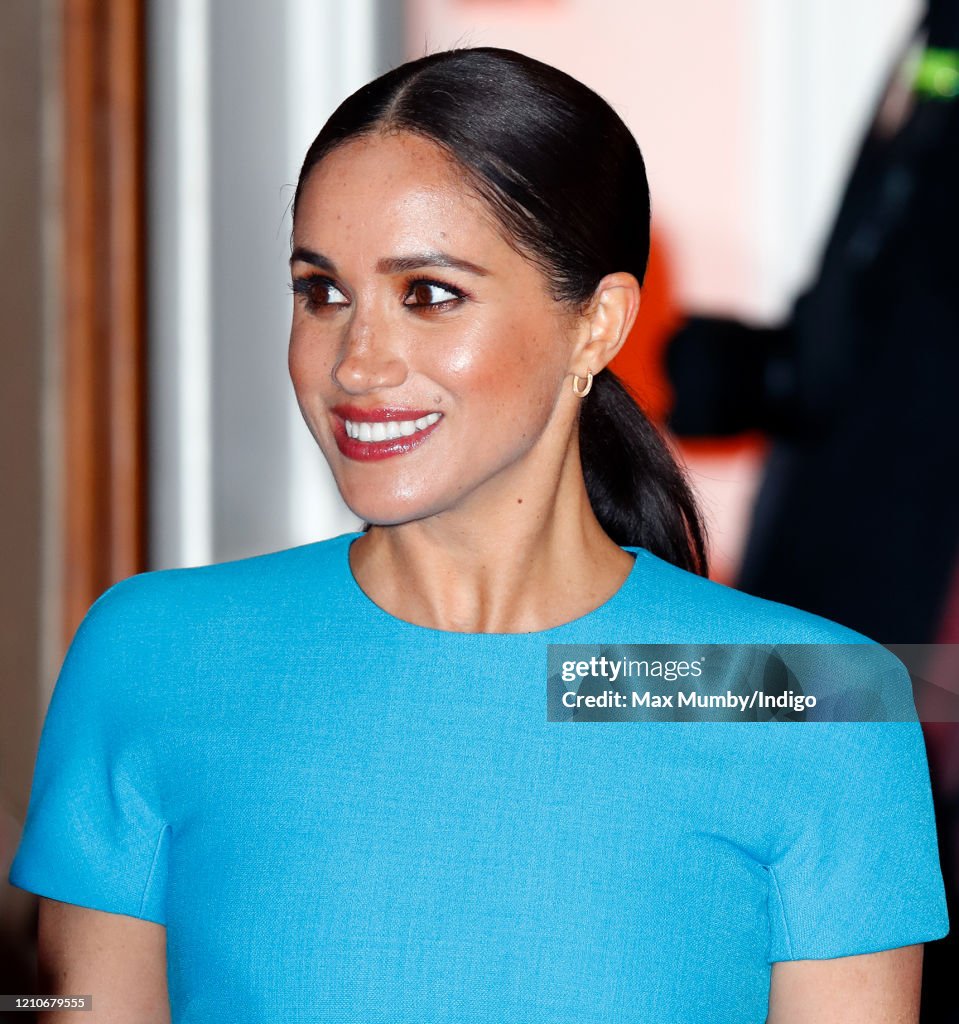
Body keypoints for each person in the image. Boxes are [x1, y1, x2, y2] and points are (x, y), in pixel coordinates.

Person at [7, 46, 949, 1024]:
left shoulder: (806, 697)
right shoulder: (152, 654)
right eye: (321, 292)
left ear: (595, 325)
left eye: (427, 294)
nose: (357, 364)